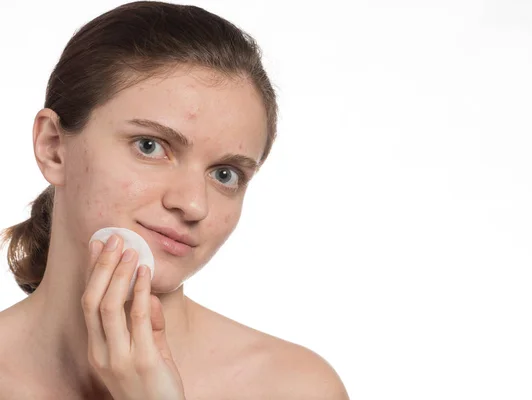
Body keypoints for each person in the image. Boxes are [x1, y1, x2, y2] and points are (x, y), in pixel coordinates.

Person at [0, 2, 349, 399]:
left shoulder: (291, 388)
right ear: (53, 148)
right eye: (150, 146)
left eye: (225, 174)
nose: (193, 204)